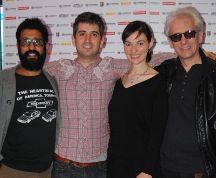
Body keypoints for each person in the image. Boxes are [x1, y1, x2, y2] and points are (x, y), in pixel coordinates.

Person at [45, 11, 129, 178]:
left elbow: (148, 62)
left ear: (103, 40)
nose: (88, 40)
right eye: (82, 34)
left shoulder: (113, 67)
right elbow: (26, 71)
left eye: (94, 34)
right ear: (73, 39)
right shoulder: (57, 69)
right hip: (63, 166)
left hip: (101, 167)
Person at [155, 6, 216, 178]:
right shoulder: (163, 72)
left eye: (189, 33)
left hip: (201, 170)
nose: (183, 41)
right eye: (176, 37)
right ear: (170, 42)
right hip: (163, 168)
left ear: (200, 35)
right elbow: (135, 70)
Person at [0, 18, 60, 178]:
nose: (31, 47)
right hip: (11, 170)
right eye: (26, 41)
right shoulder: (3, 81)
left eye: (37, 42)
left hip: (47, 171)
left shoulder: (53, 81)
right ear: (18, 46)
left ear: (46, 47)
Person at [107, 21, 168, 178]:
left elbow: (158, 133)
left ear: (151, 43)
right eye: (128, 44)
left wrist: (148, 170)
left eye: (140, 43)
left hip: (144, 170)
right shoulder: (119, 83)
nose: (133, 50)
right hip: (116, 165)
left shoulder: (159, 83)